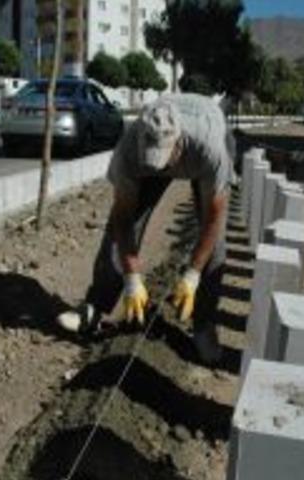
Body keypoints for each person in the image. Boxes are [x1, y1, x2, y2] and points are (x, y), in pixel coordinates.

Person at [56, 93, 234, 362]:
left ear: (178, 144)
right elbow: (124, 218)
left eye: (162, 157)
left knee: (215, 247)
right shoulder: (130, 150)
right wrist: (131, 277)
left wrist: (193, 274)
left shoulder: (209, 147)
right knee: (116, 235)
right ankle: (94, 307)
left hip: (206, 139)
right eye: (150, 155)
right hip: (150, 156)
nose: (156, 164)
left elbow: (213, 218)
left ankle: (204, 325)